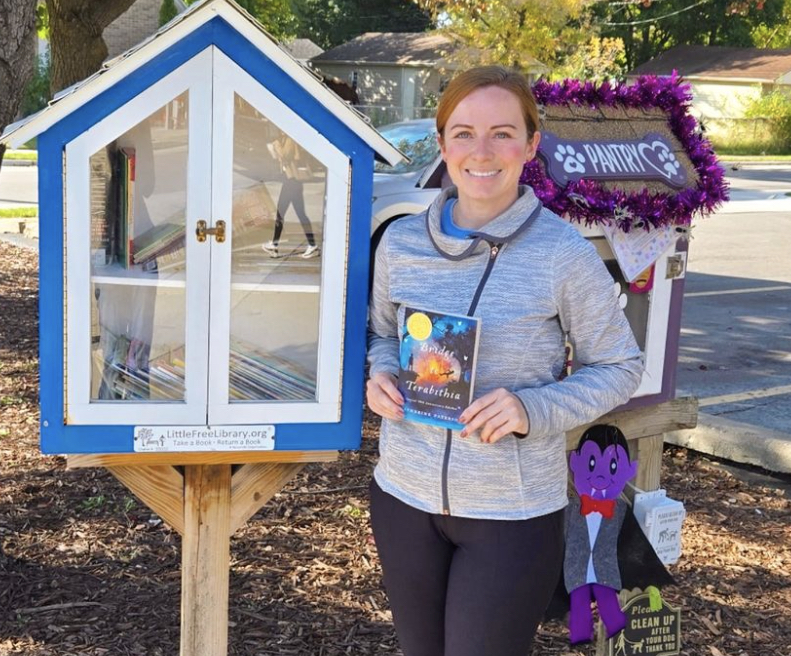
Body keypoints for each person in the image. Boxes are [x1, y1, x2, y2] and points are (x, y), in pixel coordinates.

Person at [365, 66, 645, 656]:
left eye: (502, 132)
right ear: (442, 146)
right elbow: (382, 333)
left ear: (531, 144)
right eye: (463, 133)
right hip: (403, 497)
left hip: (510, 514)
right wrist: (381, 374)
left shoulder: (562, 253)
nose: (481, 151)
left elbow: (620, 365)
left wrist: (530, 407)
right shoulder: (401, 242)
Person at [262, 133, 319, 259]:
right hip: (290, 181)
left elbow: (286, 155)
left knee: (283, 213)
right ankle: (276, 246)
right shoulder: (283, 140)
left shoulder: (290, 139)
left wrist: (276, 146)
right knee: (294, 213)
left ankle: (275, 245)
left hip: (293, 181)